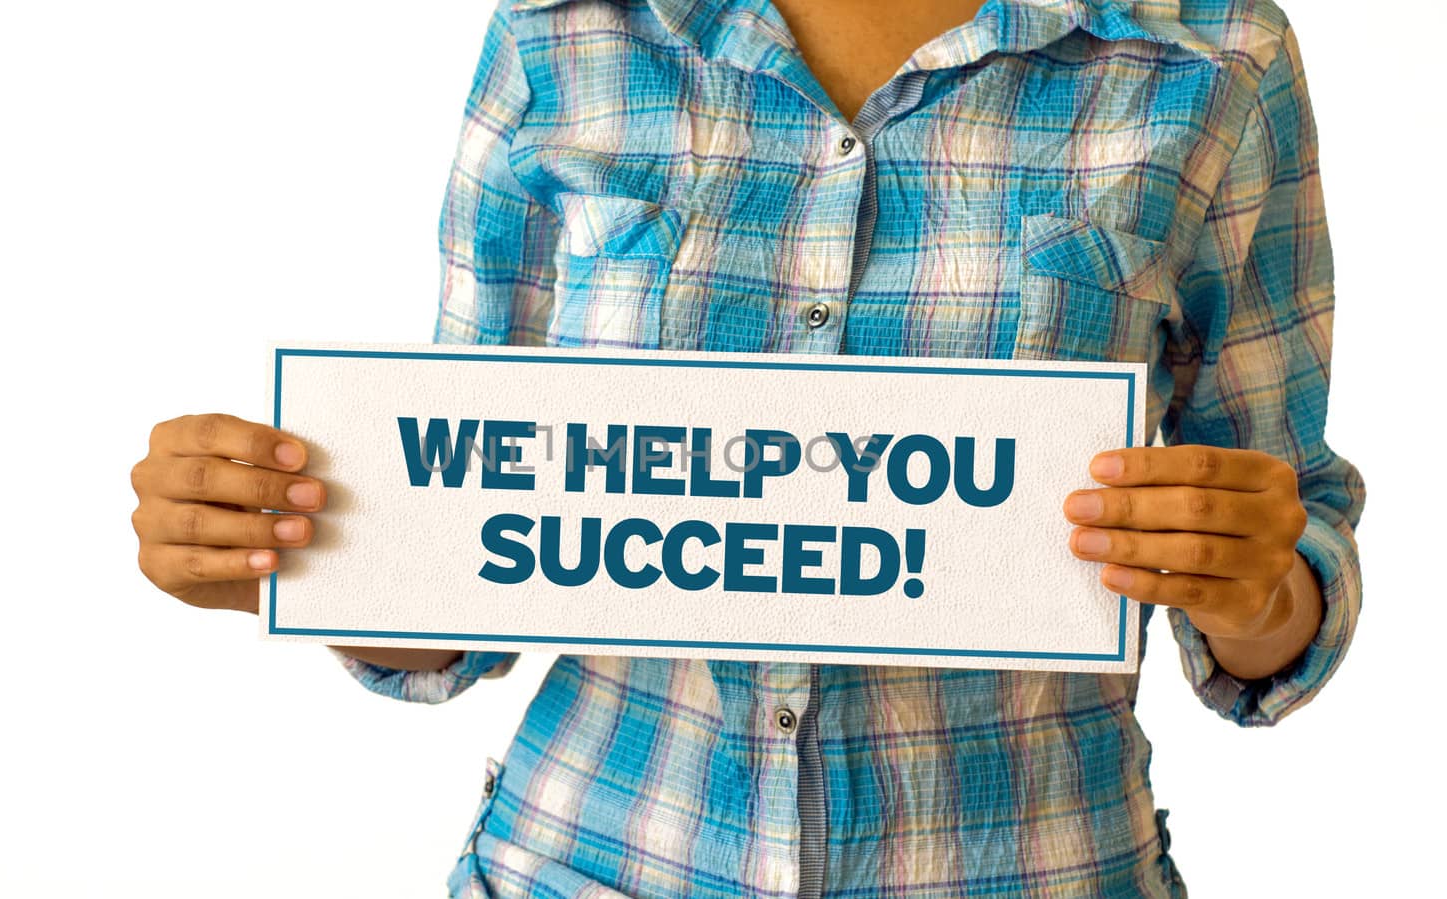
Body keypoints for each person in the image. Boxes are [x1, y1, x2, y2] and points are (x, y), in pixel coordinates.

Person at [127, 0, 1365, 895]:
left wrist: (1255, 580)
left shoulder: (1213, 56)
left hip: (1035, 863)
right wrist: (302, 554)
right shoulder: (561, 37)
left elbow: (1286, 545)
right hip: (585, 859)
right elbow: (463, 549)